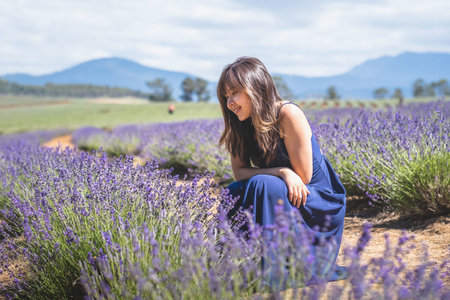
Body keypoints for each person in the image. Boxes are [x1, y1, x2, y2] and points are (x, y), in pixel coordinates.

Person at [217, 56, 347, 283]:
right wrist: (282, 172)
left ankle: (277, 268)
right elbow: (239, 173)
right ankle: (236, 262)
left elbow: (304, 177)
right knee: (235, 189)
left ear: (255, 87)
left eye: (235, 92)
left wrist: (281, 175)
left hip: (315, 199)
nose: (230, 103)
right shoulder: (240, 124)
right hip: (282, 190)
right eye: (226, 96)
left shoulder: (288, 114)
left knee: (262, 184)